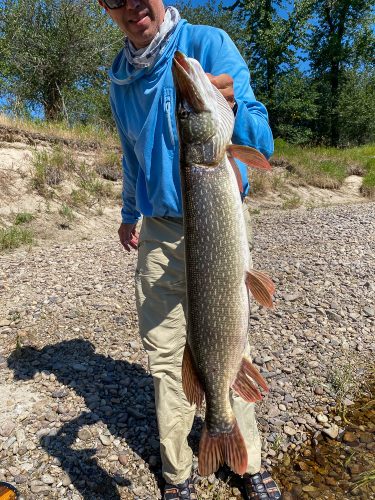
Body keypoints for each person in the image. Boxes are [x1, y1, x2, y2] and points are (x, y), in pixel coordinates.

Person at [98, 0, 282, 498]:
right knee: (165, 353)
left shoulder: (208, 44)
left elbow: (262, 143)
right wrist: (129, 212)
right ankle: (178, 471)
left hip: (216, 222)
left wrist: (236, 109)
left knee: (227, 342)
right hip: (159, 230)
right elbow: (131, 153)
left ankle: (246, 462)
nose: (132, 5)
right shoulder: (120, 80)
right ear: (104, 7)